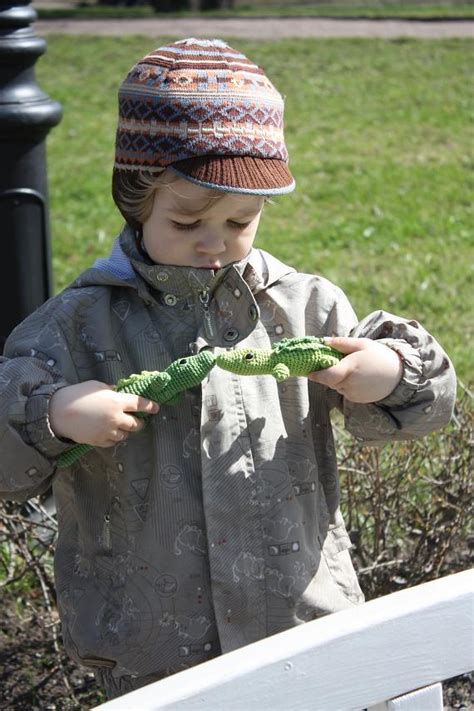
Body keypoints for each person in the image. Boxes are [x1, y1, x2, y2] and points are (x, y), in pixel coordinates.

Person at [0, 38, 456, 699]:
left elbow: (432, 395)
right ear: (137, 198)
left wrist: (388, 371)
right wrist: (55, 416)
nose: (214, 240)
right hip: (153, 649)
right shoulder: (77, 325)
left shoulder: (302, 306)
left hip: (302, 627)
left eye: (240, 221)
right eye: (187, 220)